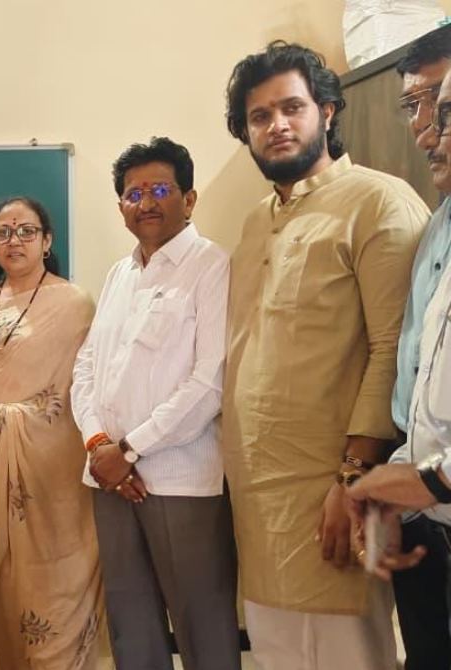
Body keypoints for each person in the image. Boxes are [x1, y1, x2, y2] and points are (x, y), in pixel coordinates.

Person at [222, 41, 427, 667]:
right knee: (276, 652)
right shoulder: (255, 221)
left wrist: (354, 476)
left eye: (292, 107)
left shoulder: (378, 202)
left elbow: (395, 350)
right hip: (258, 499)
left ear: (328, 111)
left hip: (334, 493)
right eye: (260, 116)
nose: (277, 125)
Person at [72, 137, 239, 669]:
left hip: (180, 478)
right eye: (133, 193)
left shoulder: (211, 265)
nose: (145, 202)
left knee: (202, 621)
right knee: (131, 621)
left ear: (189, 199)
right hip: (109, 477)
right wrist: (100, 445)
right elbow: (86, 367)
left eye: (160, 190)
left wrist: (130, 450)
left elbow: (209, 381)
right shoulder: (120, 273)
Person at [0, 196, 101, 669]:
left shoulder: (74, 303)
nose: (14, 241)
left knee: (46, 575)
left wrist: (12, 420)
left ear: (47, 241)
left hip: (51, 467)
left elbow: (89, 383)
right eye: (4, 232)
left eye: (26, 231)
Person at [388, 24, 451, 669]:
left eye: (438, 103)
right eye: (414, 105)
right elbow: (418, 373)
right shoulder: (434, 228)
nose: (425, 128)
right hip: (422, 504)